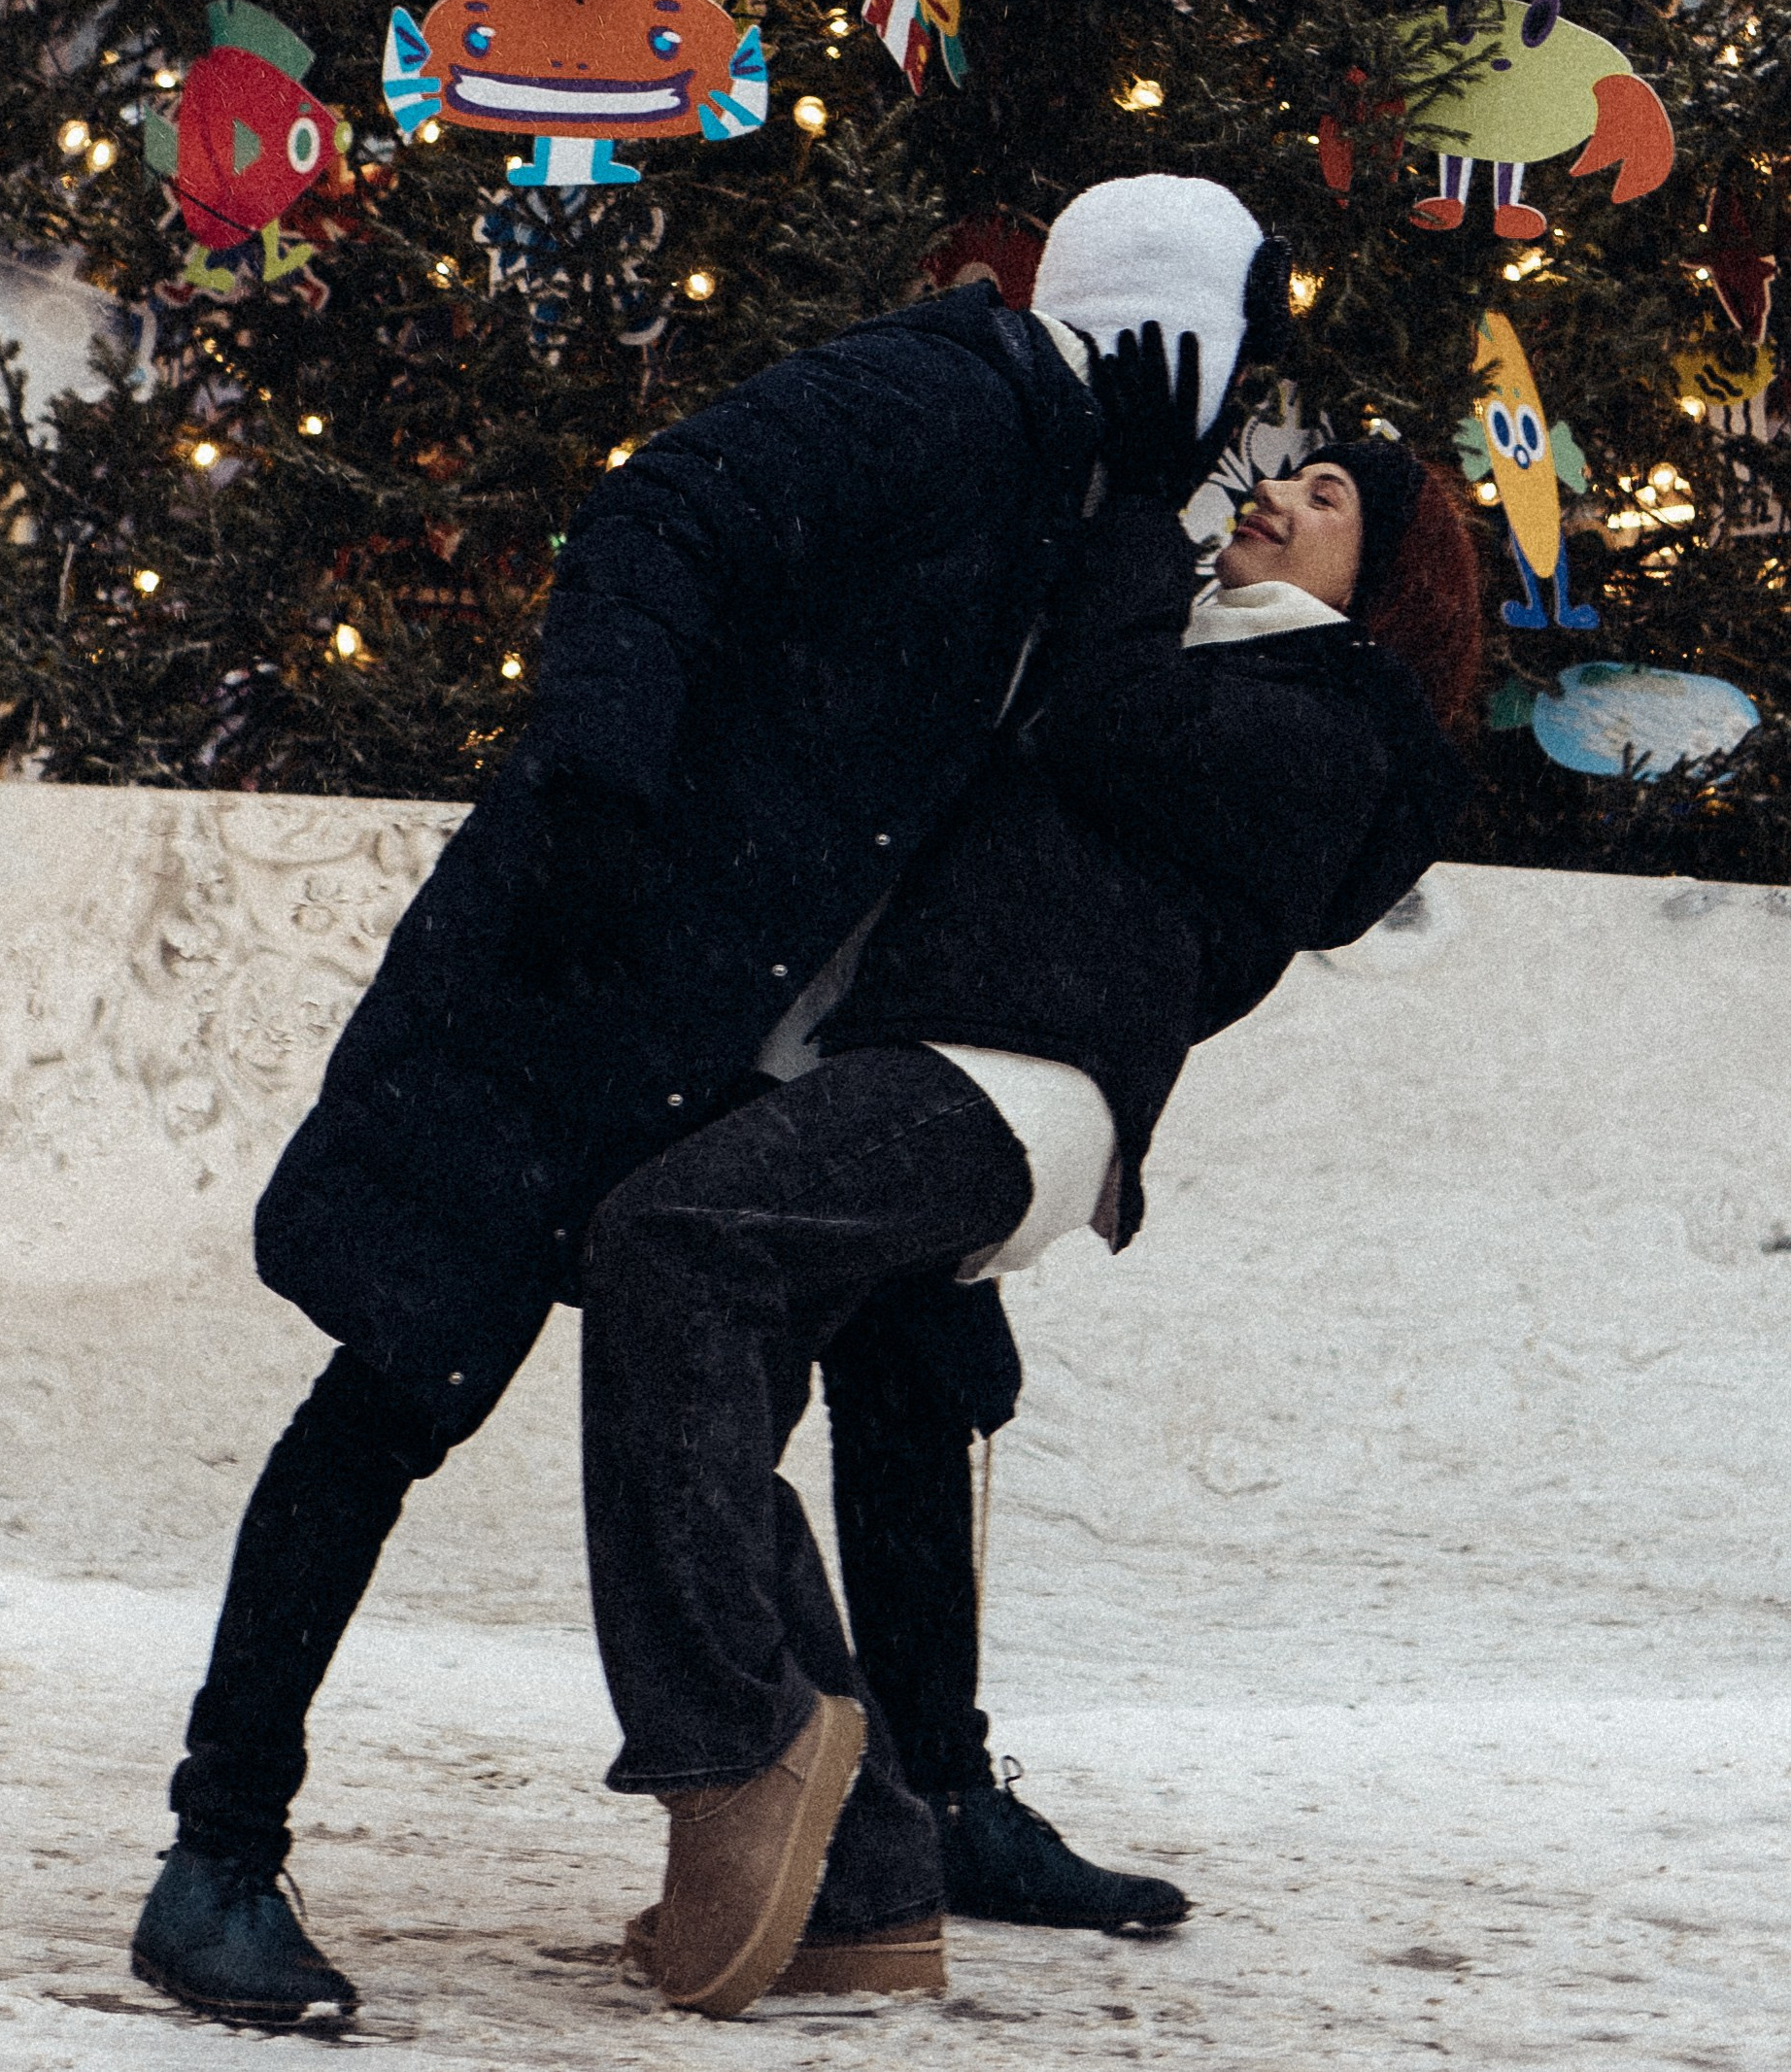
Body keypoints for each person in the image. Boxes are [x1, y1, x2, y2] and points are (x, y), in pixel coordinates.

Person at [130, 177, 1291, 2027]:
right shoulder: (949, 392)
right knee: (402, 1388)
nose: (1246, 414)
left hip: (741, 1030)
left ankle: (928, 1805)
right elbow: (659, 508)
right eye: (1243, 354)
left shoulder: (1079, 493)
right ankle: (215, 1854)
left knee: (910, 1357)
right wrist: (596, 791)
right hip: (571, 986)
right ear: (1179, 326)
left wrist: (1136, 515)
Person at [579, 375, 1481, 2018]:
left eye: (1330, 499)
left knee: (669, 1240)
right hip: (937, 1058)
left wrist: (1139, 512)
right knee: (697, 1353)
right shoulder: (1207, 654)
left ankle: (748, 1740)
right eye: (1285, 481)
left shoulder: (1343, 721)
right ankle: (863, 1876)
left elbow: (1102, 724)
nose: (1274, 499)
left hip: (1017, 1079)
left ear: (1392, 578)